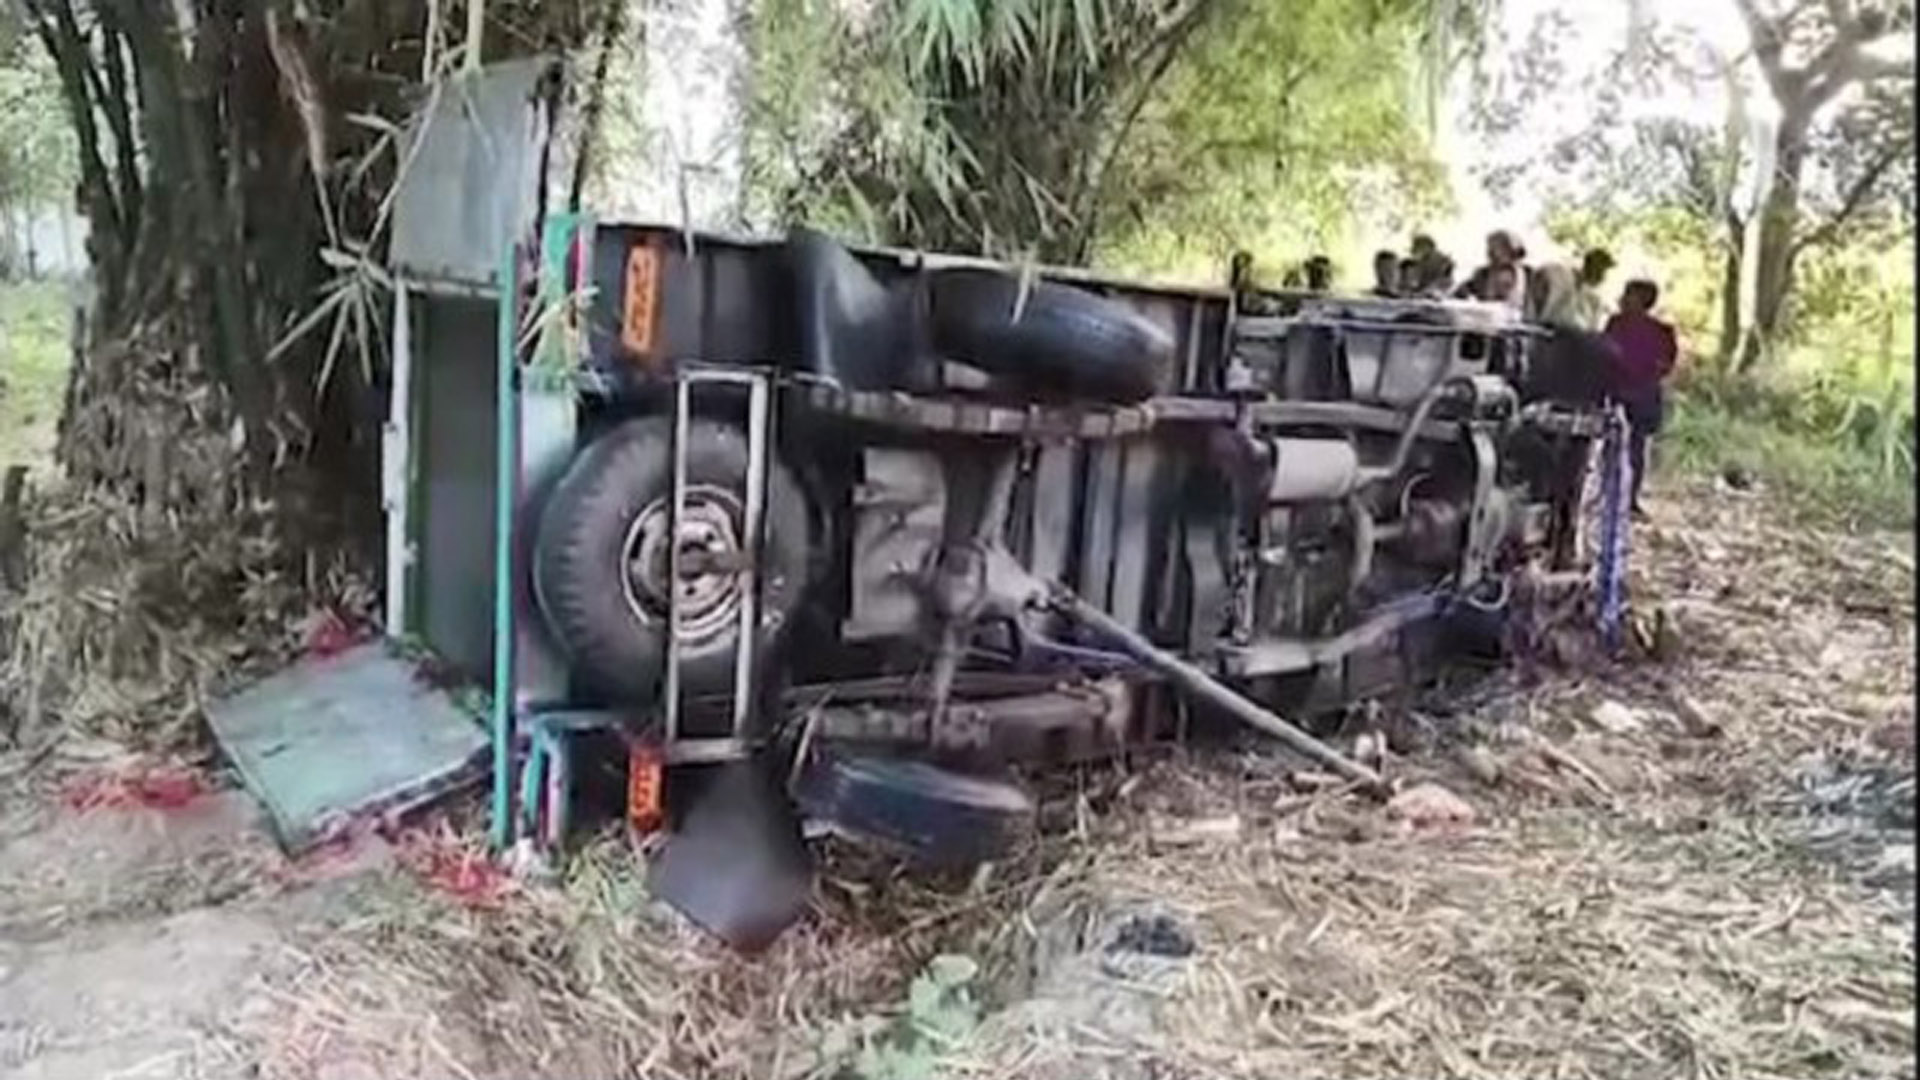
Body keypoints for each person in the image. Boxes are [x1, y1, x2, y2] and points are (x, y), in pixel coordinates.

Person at [1602, 279, 1679, 519]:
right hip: (1620, 392)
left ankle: (1629, 498)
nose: (1623, 299)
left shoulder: (1660, 331)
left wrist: (1641, 376)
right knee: (1612, 446)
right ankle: (1610, 495)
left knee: (1636, 448)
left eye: (1629, 295)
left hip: (1639, 395)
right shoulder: (1616, 323)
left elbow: (1665, 364)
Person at [1457, 230, 1529, 306]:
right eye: (1491, 247)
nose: (1491, 252)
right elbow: (1461, 293)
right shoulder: (1482, 274)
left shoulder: (1529, 275)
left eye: (1501, 247)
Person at [1574, 248, 1614, 330]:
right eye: (1601, 270)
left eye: (1604, 271)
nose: (1603, 276)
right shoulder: (1573, 286)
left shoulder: (1597, 296)